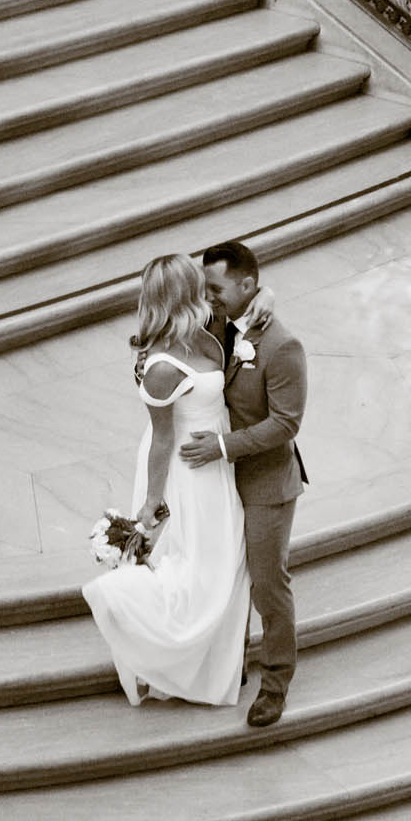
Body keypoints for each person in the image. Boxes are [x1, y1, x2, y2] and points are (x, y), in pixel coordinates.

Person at [82, 253, 263, 707]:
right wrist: (151, 504)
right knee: (194, 564)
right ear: (181, 295)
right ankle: (153, 641)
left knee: (224, 562)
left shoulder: (206, 337)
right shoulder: (160, 367)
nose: (207, 290)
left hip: (215, 464)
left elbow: (254, 302)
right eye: (198, 285)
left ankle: (208, 661)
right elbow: (163, 440)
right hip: (183, 471)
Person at [180, 240, 308, 728]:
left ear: (247, 285)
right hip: (215, 483)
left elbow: (285, 425)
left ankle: (275, 684)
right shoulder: (214, 323)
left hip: (266, 483)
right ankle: (228, 665)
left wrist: (223, 446)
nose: (206, 296)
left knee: (268, 585)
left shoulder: (282, 346)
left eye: (215, 287)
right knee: (224, 578)